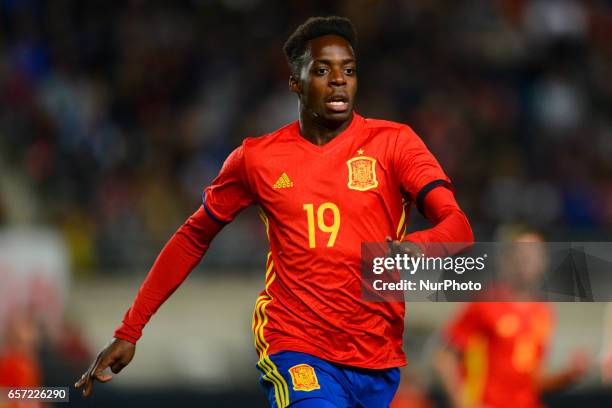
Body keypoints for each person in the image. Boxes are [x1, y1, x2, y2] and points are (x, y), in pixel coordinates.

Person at [75, 16, 473, 407]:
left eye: (348, 70)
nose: (339, 79)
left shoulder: (395, 144)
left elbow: (457, 227)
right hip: (294, 344)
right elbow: (193, 237)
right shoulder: (256, 159)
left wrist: (416, 251)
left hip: (375, 356)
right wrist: (131, 329)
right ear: (295, 83)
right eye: (323, 70)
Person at [434, 225, 589, 408]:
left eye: (535, 254)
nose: (528, 260)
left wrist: (568, 376)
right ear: (508, 257)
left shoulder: (543, 312)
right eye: (522, 253)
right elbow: (444, 358)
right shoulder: (486, 303)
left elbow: (534, 378)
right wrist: (462, 402)